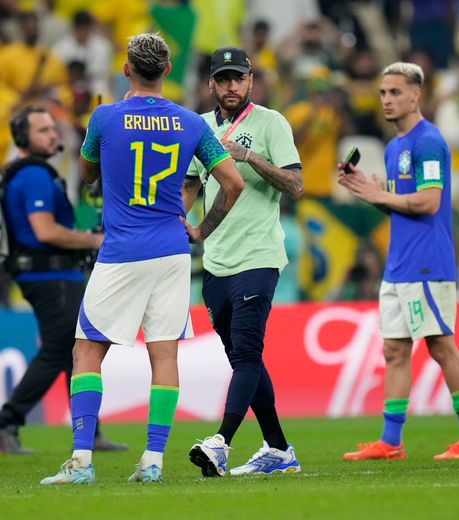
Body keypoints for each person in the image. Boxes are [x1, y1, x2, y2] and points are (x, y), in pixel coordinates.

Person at [40, 33, 244, 485]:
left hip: (121, 251)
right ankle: (152, 461)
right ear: (167, 71)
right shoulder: (193, 124)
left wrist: (99, 168)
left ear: (126, 69)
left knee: (87, 351)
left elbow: (89, 172)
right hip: (171, 250)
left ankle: (80, 462)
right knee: (164, 355)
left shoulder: (105, 117)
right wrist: (199, 231)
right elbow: (233, 183)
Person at [340, 62, 459, 461]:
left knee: (440, 345)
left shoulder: (429, 142)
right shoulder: (393, 147)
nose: (387, 99)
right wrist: (368, 190)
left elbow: (429, 201)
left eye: (396, 92)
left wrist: (380, 196)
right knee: (394, 350)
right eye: (383, 93)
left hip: (427, 263)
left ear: (416, 95)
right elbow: (402, 206)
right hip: (398, 264)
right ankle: (390, 442)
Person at [184, 46, 304, 477]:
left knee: (248, 352)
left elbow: (295, 184)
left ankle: (221, 441)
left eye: (238, 78)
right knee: (243, 361)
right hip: (214, 262)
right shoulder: (198, 127)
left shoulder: (272, 122)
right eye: (223, 79)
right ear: (211, 84)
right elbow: (190, 185)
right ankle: (278, 448)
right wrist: (179, 222)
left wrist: (249, 155)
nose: (231, 85)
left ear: (251, 81)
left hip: (258, 256)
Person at [0, 106, 124, 455]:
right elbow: (44, 230)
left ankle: (91, 430)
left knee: (74, 352)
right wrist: (92, 239)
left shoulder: (28, 174)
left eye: (53, 129)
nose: (53, 135)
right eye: (43, 130)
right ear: (23, 138)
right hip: (49, 274)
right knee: (59, 349)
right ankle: (7, 421)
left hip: (49, 272)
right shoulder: (35, 175)